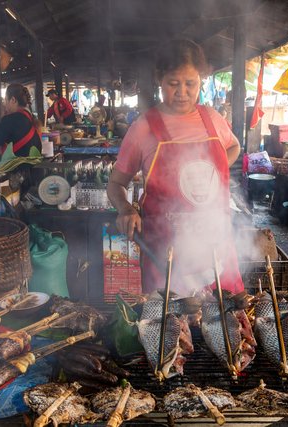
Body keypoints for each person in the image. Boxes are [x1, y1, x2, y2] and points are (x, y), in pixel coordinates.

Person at [106, 39, 244, 296]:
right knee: (171, 329)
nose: (182, 92)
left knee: (228, 321)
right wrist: (125, 208)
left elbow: (233, 146)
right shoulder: (144, 128)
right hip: (166, 253)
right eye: (173, 84)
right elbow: (115, 184)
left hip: (216, 246)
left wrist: (211, 173)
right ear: (160, 79)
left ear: (201, 80)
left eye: (190, 83)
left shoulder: (212, 119)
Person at [0, 84, 41, 156]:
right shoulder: (31, 118)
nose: (4, 104)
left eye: (6, 100)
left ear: (13, 100)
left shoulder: (10, 120)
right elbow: (16, 147)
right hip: (33, 164)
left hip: (19, 166)